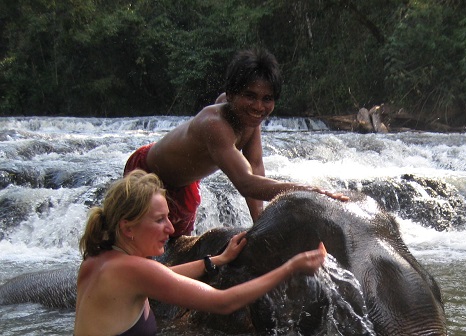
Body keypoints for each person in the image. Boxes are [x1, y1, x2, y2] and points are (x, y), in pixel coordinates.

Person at [66, 170, 327, 336]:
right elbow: (222, 302)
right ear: (127, 228)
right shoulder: (135, 270)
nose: (170, 228)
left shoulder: (97, 260)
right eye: (159, 220)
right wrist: (290, 268)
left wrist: (218, 260)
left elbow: (165, 277)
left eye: (168, 217)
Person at [123, 47, 347, 237]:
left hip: (185, 185)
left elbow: (255, 165)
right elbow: (246, 183)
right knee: (138, 246)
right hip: (148, 174)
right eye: (250, 96)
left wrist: (258, 223)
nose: (259, 106)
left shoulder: (248, 116)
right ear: (231, 95)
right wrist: (307, 191)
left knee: (175, 248)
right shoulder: (214, 124)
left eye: (267, 99)